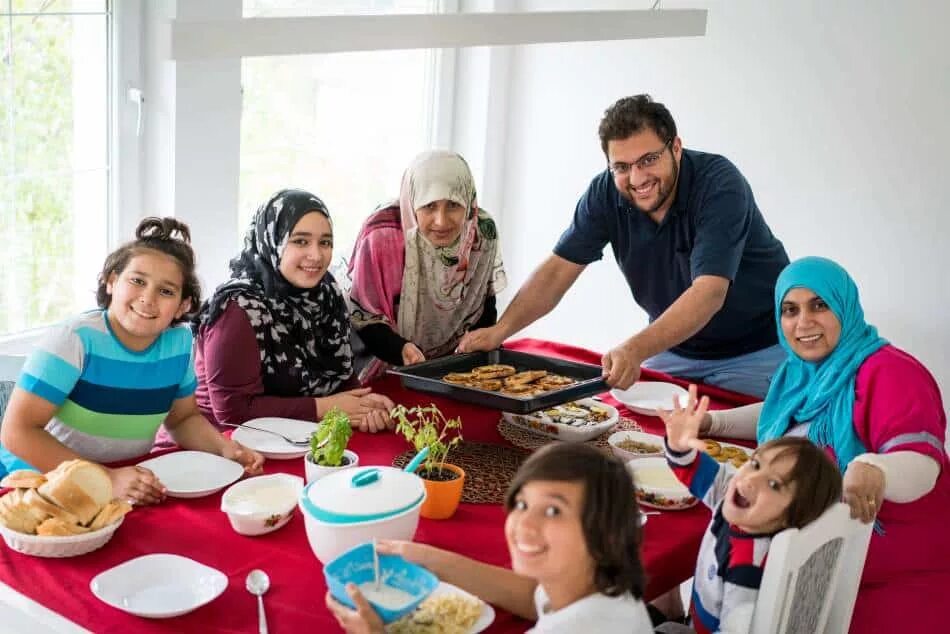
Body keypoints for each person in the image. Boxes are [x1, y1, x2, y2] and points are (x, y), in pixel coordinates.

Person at [459, 95, 789, 398]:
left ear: (675, 147)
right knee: (632, 428)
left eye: (648, 160)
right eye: (622, 166)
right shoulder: (605, 192)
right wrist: (501, 330)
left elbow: (709, 293)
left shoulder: (720, 184)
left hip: (756, 349)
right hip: (677, 350)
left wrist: (634, 349)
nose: (637, 178)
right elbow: (559, 269)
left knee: (762, 448)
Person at [693, 256, 950, 632]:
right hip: (811, 567)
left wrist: (875, 468)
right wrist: (713, 422)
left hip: (897, 575)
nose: (804, 322)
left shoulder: (892, 371)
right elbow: (787, 419)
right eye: (790, 310)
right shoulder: (799, 371)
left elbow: (923, 465)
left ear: (844, 306)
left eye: (819, 305)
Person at [0, 217, 264, 503]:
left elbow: (183, 418)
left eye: (166, 291)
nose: (148, 299)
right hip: (42, 482)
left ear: (182, 306)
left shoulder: (178, 344)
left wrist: (224, 448)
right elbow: (17, 432)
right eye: (137, 281)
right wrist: (104, 479)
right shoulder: (75, 339)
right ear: (111, 281)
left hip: (124, 482)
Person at [325, 442, 653, 633]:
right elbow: (534, 597)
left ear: (606, 530)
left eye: (553, 511)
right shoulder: (600, 589)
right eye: (522, 504)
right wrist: (428, 559)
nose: (524, 524)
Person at [193, 189, 394, 433]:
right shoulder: (238, 308)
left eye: (325, 242)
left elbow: (342, 382)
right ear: (272, 241)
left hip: (298, 437)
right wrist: (325, 408)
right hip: (217, 446)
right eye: (300, 241)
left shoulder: (327, 293)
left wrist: (366, 406)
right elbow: (233, 412)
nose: (316, 255)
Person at [651, 385, 842, 632]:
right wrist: (680, 445)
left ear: (794, 516)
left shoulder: (747, 569)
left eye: (774, 484)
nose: (752, 480)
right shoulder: (733, 494)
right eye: (755, 464)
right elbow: (695, 471)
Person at [348, 150, 506, 380]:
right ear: (413, 201)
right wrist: (399, 348)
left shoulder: (482, 232)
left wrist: (472, 355)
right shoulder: (382, 235)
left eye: (453, 205)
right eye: (429, 206)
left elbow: (484, 303)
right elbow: (364, 316)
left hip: (453, 363)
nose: (441, 221)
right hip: (377, 355)